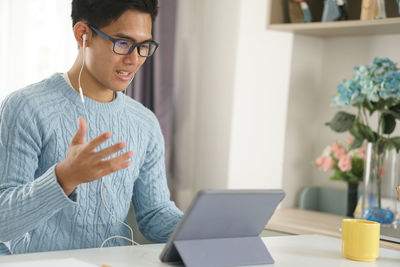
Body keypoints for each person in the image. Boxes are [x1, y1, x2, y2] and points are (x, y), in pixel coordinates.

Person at [0, 0, 183, 255]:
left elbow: (155, 214)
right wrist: (64, 178)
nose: (134, 59)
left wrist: (208, 230)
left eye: (143, 46)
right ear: (83, 34)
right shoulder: (25, 107)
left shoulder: (145, 122)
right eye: (123, 43)